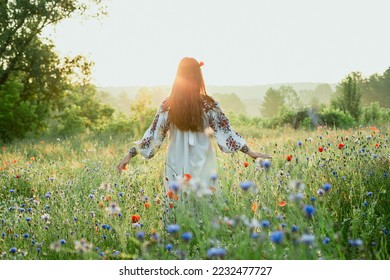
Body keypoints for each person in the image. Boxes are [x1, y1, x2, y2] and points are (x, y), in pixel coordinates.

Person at [116, 57, 271, 190]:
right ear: (198, 77)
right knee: (204, 205)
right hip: (203, 160)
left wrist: (129, 155)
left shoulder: (168, 105)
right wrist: (249, 152)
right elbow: (226, 133)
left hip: (176, 162)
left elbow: (153, 137)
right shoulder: (208, 104)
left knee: (178, 205)